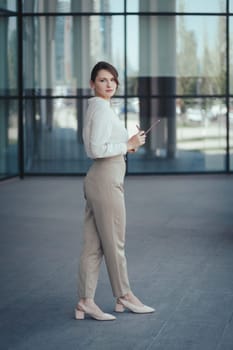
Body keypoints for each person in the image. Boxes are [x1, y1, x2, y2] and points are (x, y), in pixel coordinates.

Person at [75, 61, 155, 321]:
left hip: (99, 179)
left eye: (112, 80)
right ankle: (124, 296)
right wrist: (127, 144)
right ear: (92, 84)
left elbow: (102, 145)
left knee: (93, 245)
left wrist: (129, 145)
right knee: (115, 244)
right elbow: (96, 150)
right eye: (102, 80)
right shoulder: (100, 109)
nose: (109, 84)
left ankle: (86, 301)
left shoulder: (99, 108)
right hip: (106, 180)